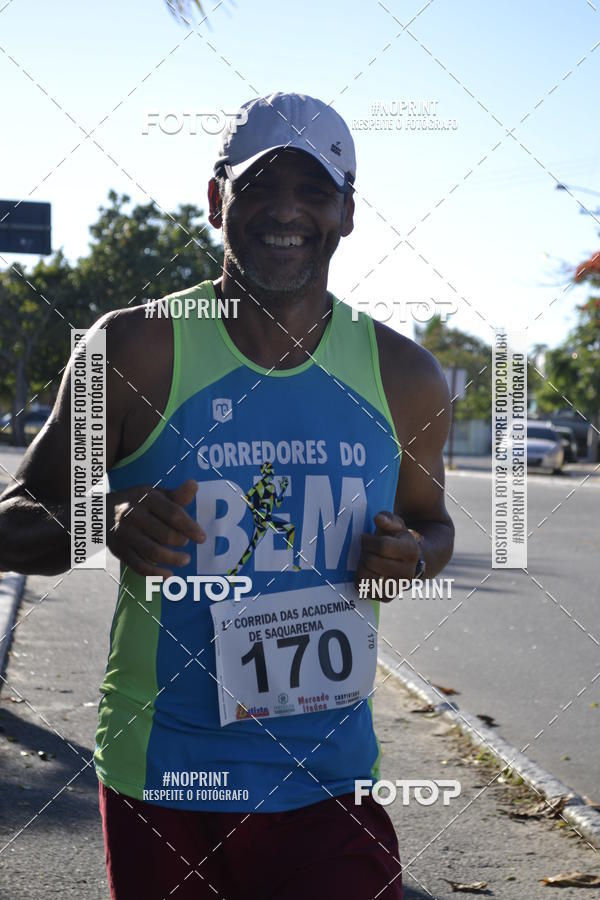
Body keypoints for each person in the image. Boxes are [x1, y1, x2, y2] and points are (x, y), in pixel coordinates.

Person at [0, 91, 454, 899]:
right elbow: (11, 524)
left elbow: (433, 525)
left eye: (313, 190)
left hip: (327, 787)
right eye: (259, 187)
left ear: (346, 213)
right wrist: (105, 521)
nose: (286, 210)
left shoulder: (406, 377)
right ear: (217, 201)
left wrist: (413, 556)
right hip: (164, 777)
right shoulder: (132, 348)